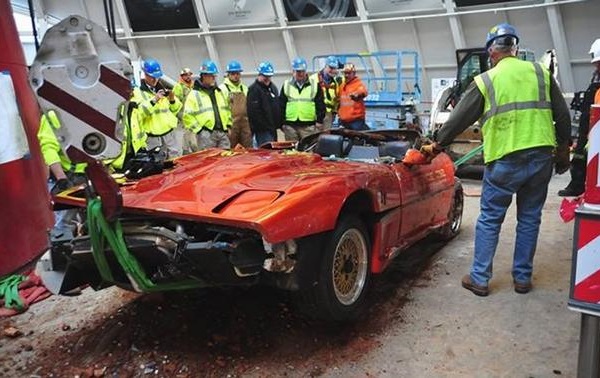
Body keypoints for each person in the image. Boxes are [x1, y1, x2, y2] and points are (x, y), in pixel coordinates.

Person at [425, 23, 571, 296]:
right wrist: (563, 153)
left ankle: (480, 278)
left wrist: (437, 143)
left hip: (505, 159)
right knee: (529, 219)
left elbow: (459, 119)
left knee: (491, 218)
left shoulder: (487, 80)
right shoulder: (541, 73)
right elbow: (562, 116)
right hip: (541, 157)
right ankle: (523, 278)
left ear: (491, 51)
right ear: (515, 49)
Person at [558, 38, 600, 196]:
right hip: (588, 124)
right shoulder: (596, 76)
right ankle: (577, 185)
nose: (595, 65)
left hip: (594, 126)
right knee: (580, 156)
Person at [37, 109, 87, 236]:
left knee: (91, 220)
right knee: (65, 223)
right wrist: (61, 178)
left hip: (89, 174)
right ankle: (65, 250)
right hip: (70, 176)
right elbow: (48, 148)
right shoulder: (54, 114)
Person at [131, 59, 182, 158]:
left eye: (157, 77)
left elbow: (175, 110)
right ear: (145, 74)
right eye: (152, 77)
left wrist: (172, 100)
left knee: (176, 161)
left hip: (169, 135)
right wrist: (154, 100)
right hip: (153, 138)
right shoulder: (138, 92)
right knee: (157, 165)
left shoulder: (163, 89)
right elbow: (139, 113)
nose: (155, 80)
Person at [183, 59, 232, 150]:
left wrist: (228, 125)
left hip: (222, 132)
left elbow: (226, 110)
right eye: (211, 75)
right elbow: (187, 116)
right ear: (204, 76)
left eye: (214, 75)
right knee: (209, 161)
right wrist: (199, 130)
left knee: (225, 161)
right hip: (206, 134)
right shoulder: (194, 94)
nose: (214, 78)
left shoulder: (218, 92)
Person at [280, 57, 325, 142]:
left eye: (302, 71)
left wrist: (319, 120)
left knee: (308, 151)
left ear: (305, 71)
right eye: (298, 71)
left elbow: (320, 104)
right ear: (293, 72)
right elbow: (281, 105)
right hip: (290, 126)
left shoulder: (314, 85)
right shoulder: (286, 85)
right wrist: (281, 123)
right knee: (291, 151)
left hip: (308, 126)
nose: (300, 74)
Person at [247, 61, 281, 146]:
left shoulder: (273, 88)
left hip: (272, 129)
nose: (267, 78)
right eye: (265, 76)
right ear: (260, 75)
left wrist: (278, 124)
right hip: (262, 131)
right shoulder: (254, 90)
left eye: (269, 76)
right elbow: (253, 112)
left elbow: (277, 106)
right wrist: (264, 126)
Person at [220, 60, 252, 148]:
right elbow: (221, 109)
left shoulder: (244, 88)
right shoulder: (222, 89)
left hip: (245, 125)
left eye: (237, 73)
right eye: (233, 74)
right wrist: (226, 126)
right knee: (231, 150)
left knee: (247, 149)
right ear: (228, 74)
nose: (235, 76)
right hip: (231, 125)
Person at [311, 55, 342, 130]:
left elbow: (336, 100)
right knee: (313, 139)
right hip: (314, 114)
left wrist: (334, 113)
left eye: (335, 68)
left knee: (326, 138)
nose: (333, 70)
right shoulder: (313, 79)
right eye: (331, 68)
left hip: (328, 115)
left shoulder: (336, 83)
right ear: (325, 66)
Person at [172, 67, 198, 154]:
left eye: (189, 75)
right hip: (183, 114)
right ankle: (192, 150)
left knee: (188, 133)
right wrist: (179, 115)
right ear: (182, 76)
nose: (188, 77)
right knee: (190, 132)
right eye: (186, 75)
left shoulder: (193, 86)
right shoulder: (178, 87)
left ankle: (186, 150)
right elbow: (176, 102)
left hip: (194, 113)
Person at [338, 63, 368, 130]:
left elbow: (363, 91)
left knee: (357, 139)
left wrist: (357, 95)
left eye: (349, 73)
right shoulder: (342, 86)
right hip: (343, 121)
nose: (346, 75)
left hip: (356, 121)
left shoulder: (358, 84)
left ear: (354, 73)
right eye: (345, 73)